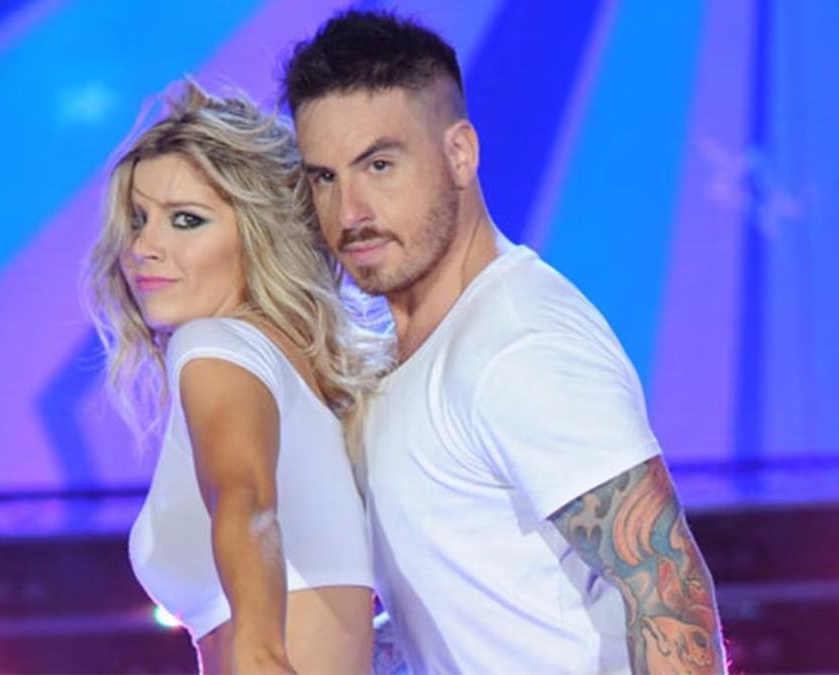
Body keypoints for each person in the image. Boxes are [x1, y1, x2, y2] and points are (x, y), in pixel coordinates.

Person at [282, 10, 726, 674]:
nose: (350, 212)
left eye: (379, 164)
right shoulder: (408, 356)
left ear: (460, 153)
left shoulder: (518, 341)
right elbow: (476, 608)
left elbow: (667, 591)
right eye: (325, 177)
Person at [83, 80, 385, 674]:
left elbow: (244, 499)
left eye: (185, 220)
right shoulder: (284, 367)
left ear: (258, 233)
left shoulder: (213, 345)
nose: (144, 246)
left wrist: (259, 651)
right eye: (138, 220)